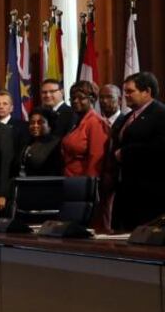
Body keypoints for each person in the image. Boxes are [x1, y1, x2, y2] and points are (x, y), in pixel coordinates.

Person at [110, 72, 165, 231]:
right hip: (126, 189)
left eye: (130, 91)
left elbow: (160, 148)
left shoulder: (160, 114)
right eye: (124, 91)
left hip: (150, 192)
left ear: (147, 91)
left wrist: (126, 153)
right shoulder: (127, 117)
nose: (125, 95)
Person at [61, 81, 110, 178]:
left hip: (83, 183)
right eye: (73, 98)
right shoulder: (79, 121)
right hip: (71, 179)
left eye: (81, 97)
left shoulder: (95, 122)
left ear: (92, 99)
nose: (75, 101)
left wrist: (89, 186)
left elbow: (96, 159)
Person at [18, 108, 63, 177]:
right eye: (32, 122)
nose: (35, 126)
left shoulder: (56, 144)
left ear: (50, 125)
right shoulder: (27, 142)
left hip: (44, 185)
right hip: (25, 184)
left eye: (40, 122)